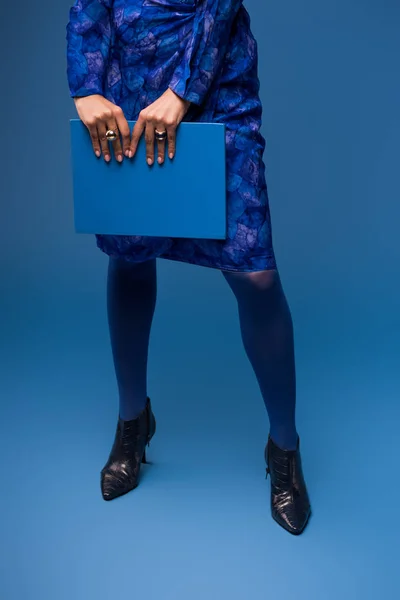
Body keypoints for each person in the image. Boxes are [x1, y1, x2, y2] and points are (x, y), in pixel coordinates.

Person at [66, 0, 312, 535]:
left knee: (256, 274)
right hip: (128, 78)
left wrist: (181, 91)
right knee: (129, 255)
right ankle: (133, 422)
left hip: (215, 76)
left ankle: (285, 446)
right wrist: (86, 87)